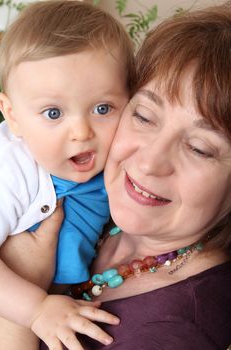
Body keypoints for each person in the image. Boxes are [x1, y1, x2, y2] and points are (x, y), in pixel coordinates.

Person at [41, 2, 231, 349]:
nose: (149, 163)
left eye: (200, 148)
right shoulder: (85, 193)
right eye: (144, 116)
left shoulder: (176, 329)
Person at [0, 0, 135, 349]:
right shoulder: (12, 170)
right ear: (12, 116)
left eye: (102, 108)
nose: (81, 131)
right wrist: (35, 309)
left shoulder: (122, 161)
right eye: (53, 112)